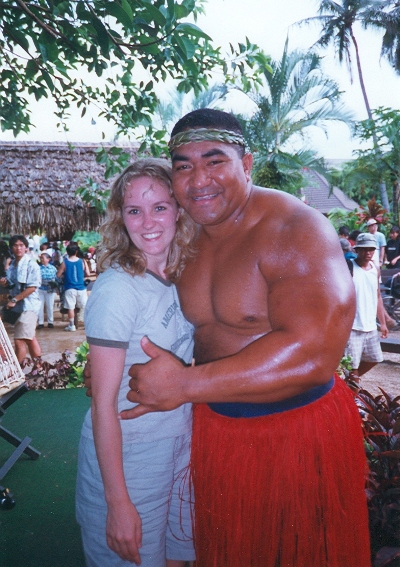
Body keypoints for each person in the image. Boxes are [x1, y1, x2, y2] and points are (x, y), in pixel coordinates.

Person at [102, 109, 371, 566]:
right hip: (214, 430)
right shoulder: (184, 236)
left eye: (214, 160)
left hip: (295, 430)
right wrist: (119, 368)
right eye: (183, 166)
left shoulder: (295, 227)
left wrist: (185, 385)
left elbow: (314, 353)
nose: (198, 179)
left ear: (246, 164)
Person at [76, 158, 196, 567]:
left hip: (179, 443)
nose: (148, 222)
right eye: (134, 210)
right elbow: (102, 405)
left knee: (178, 558)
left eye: (159, 206)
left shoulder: (183, 276)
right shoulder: (118, 289)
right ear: (120, 217)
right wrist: (118, 502)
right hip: (130, 456)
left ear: (178, 210)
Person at [344, 233, 388, 380]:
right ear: (357, 250)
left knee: (375, 358)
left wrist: (382, 323)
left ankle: (350, 381)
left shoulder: (375, 269)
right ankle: (352, 386)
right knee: (352, 366)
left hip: (370, 326)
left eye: (371, 249)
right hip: (353, 326)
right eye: (364, 249)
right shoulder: (349, 268)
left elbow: (377, 296)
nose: (368, 253)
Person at [0, 235, 41, 362]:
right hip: (18, 307)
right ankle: (39, 367)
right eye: (15, 245)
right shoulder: (12, 265)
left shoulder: (31, 265)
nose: (18, 248)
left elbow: (32, 287)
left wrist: (14, 300)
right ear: (11, 248)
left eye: (21, 245)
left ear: (26, 248)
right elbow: (13, 284)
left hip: (29, 306)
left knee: (19, 340)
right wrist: (6, 283)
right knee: (30, 338)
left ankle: (18, 373)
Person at [56, 242, 90, 331]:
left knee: (70, 307)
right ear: (76, 251)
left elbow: (58, 275)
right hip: (81, 287)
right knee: (84, 306)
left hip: (69, 288)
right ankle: (86, 324)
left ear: (67, 252)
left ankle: (72, 326)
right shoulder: (82, 261)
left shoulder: (65, 263)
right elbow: (88, 273)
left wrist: (65, 274)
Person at [37, 252, 58, 329]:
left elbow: (56, 278)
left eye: (43, 258)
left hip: (50, 289)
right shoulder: (38, 268)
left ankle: (50, 322)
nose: (42, 259)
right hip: (40, 289)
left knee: (50, 306)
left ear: (48, 259)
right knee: (40, 306)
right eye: (41, 258)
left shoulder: (53, 268)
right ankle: (40, 322)